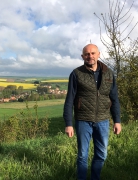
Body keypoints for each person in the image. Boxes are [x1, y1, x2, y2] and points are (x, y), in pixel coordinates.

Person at [63, 44, 122, 180]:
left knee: (102, 154)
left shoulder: (109, 73)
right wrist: (68, 123)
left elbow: (114, 98)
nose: (90, 56)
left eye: (93, 53)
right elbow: (69, 100)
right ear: (83, 56)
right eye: (87, 54)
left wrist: (117, 121)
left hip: (103, 120)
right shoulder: (76, 74)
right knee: (83, 155)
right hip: (83, 120)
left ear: (99, 54)